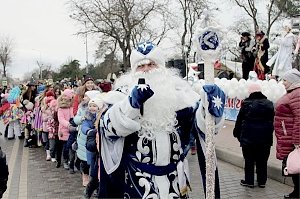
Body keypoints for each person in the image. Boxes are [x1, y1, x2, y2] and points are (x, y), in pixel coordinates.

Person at [98, 41, 225, 198]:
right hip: (136, 182)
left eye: (152, 64)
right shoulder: (121, 96)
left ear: (162, 67)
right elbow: (107, 127)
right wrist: (131, 105)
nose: (146, 70)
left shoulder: (182, 95)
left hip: (176, 181)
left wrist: (211, 110)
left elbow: (204, 128)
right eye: (141, 66)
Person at [233, 83, 274, 188]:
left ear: (250, 92)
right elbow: (273, 121)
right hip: (265, 139)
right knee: (263, 160)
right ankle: (262, 182)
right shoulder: (269, 104)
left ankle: (249, 181)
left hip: (248, 138)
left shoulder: (246, 103)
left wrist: (236, 133)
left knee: (249, 160)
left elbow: (239, 120)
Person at [274, 68, 300, 199]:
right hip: (287, 136)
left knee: (296, 166)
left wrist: (297, 141)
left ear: (293, 81)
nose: (283, 82)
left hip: (292, 139)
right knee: (294, 166)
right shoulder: (293, 93)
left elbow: (299, 118)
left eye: (285, 80)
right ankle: (297, 191)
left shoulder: (297, 94)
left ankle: (298, 193)